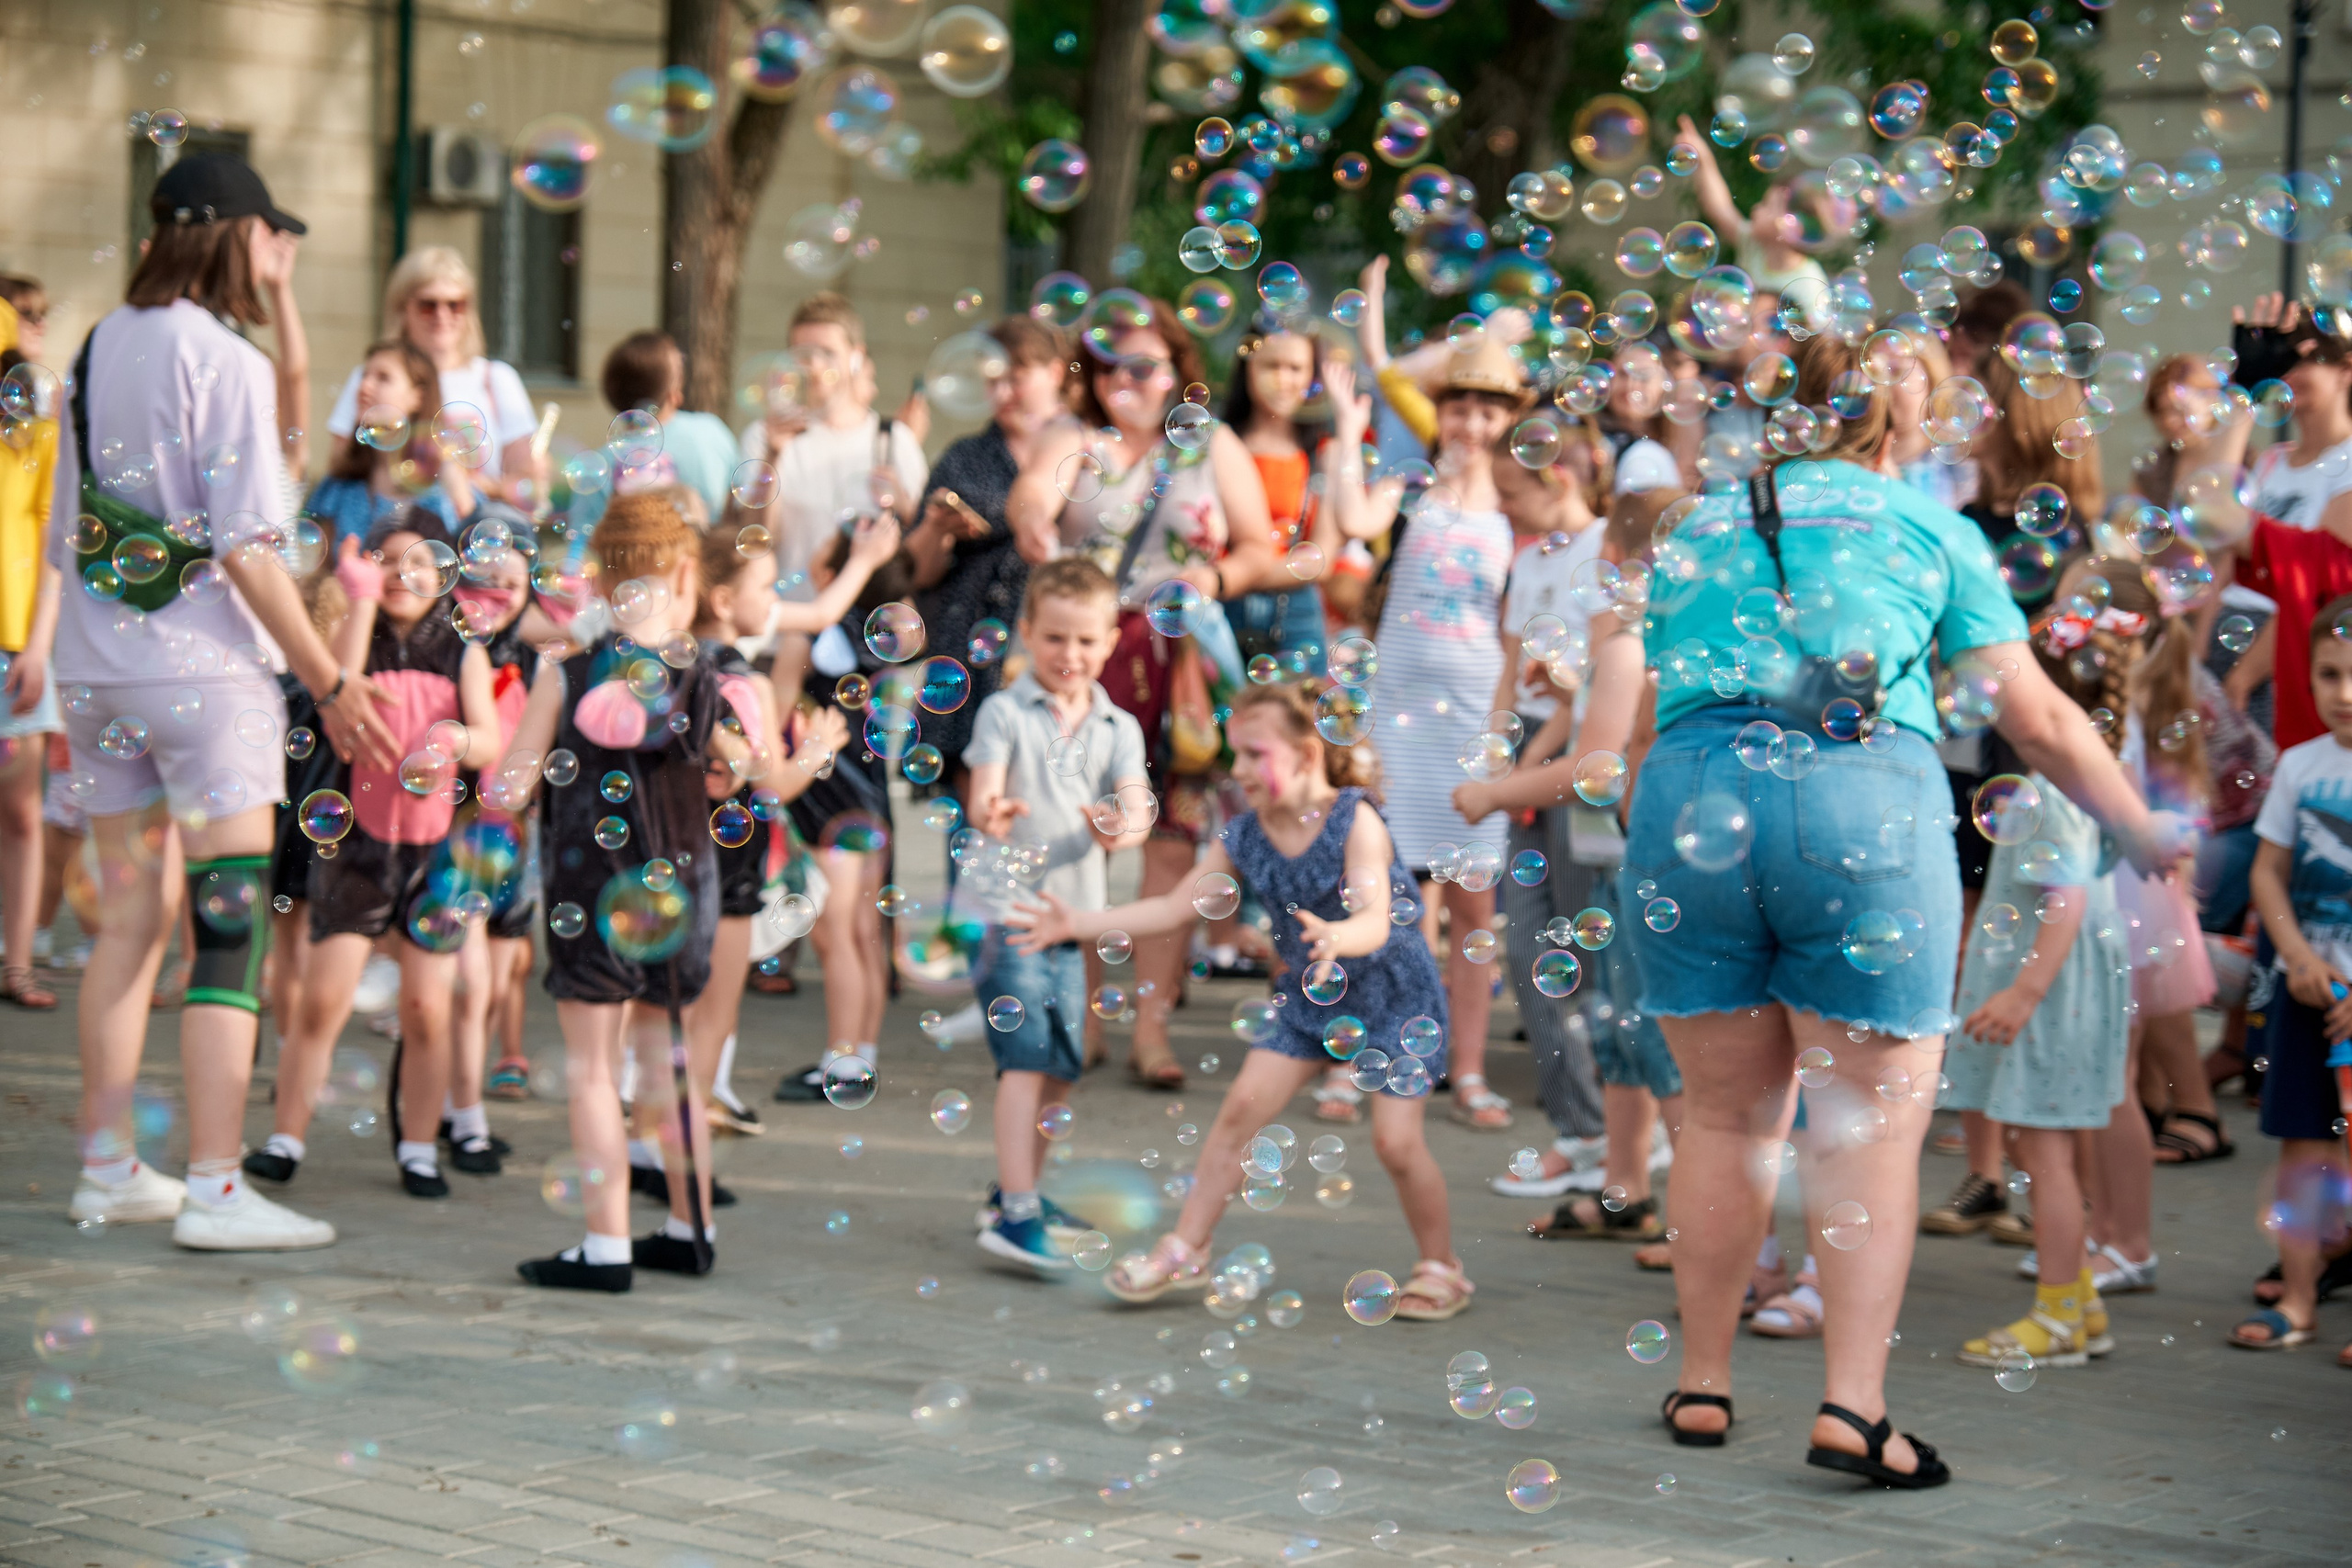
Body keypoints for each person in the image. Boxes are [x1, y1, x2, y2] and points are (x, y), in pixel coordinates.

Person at [1591, 331, 2180, 1483]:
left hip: (1687, 801)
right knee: (1861, 1128)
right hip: (1859, 803)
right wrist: (2143, 827)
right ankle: (1852, 1411)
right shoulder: (1927, 526)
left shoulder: (1697, 525)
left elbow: (1649, 713)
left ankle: (1701, 1384)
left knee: (1723, 1120)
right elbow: (2037, 720)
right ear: (1903, 421)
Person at [44, 151, 390, 1248]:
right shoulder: (225, 359)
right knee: (226, 930)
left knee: (126, 924)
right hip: (205, 680)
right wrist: (331, 678)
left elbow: (67, 535)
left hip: (96, 673)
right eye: (264, 233)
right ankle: (215, 1188)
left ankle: (108, 1168)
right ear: (233, 236)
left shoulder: (93, 348)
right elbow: (248, 545)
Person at [1009, 681, 1474, 1321]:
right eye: (1237, 754)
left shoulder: (1355, 818)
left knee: (1396, 1143)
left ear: (1307, 754)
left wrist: (1339, 935)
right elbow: (1175, 907)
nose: (1240, 769)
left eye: (1257, 754)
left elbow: (1375, 915)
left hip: (1397, 998)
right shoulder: (1243, 834)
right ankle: (1186, 1249)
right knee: (1236, 1116)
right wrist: (1078, 923)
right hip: (1310, 1001)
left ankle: (1441, 1267)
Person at [1005, 291, 1278, 1091]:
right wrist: (1032, 520)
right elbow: (1034, 492)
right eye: (1111, 365)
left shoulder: (1210, 444)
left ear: (1175, 369)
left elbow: (1262, 547)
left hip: (1178, 667)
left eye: (1145, 365)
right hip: (1086, 661)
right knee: (1085, 832)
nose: (1127, 380)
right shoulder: (1073, 436)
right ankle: (1089, 1015)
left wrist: (1213, 578)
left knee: (1171, 844)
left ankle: (1151, 1026)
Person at [493, 492, 750, 1290]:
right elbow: (741, 766)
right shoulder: (699, 676)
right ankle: (691, 1228)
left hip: (592, 899)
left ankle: (606, 1248)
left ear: (601, 581)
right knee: (667, 1064)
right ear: (685, 575)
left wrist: (479, 750)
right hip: (683, 899)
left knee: (594, 1070)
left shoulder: (567, 674)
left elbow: (509, 789)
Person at [244, 512, 503, 1197]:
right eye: (385, 561)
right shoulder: (352, 634)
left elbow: (489, 739)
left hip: (434, 853)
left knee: (427, 1009)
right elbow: (337, 685)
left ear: (443, 575)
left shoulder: (462, 651)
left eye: (416, 562)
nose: (399, 574)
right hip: (358, 846)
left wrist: (456, 741)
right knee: (322, 1000)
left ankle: (418, 1150)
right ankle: (285, 1139)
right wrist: (358, 600)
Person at [1457, 485, 1687, 1241]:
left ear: (1614, 559)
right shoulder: (1625, 645)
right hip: (1612, 857)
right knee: (1616, 1030)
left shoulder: (1627, 647)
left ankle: (1696, 1218)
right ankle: (1624, 1190)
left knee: (1652, 1039)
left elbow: (1596, 768)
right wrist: (1528, 756)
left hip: (1630, 859)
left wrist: (1497, 792)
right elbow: (1580, 718)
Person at [1332, 335, 1524, 1132]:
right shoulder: (1410, 487)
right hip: (1398, 726)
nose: (1471, 425)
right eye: (1459, 408)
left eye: (1489, 411)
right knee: (1386, 899)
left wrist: (1508, 734)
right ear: (1439, 413)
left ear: (1510, 422)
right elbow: (1352, 517)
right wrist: (1348, 431)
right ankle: (1363, 1059)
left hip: (1476, 724)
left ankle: (1467, 1069)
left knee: (1474, 914)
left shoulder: (1518, 507)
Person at [1944, 605, 2134, 1371]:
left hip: (2048, 999)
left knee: (2045, 1154)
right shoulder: (2082, 780)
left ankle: (2056, 1315)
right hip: (2058, 992)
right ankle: (2080, 1301)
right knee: (2040, 1144)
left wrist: (2023, 992)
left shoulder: (2048, 791)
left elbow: (2066, 898)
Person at [963, 558, 1152, 1269]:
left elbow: (1136, 810)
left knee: (1065, 1062)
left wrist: (1119, 828)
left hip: (1073, 919)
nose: (1068, 653)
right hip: (1006, 912)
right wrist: (993, 811)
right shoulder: (1005, 712)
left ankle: (1019, 1193)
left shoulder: (1117, 725)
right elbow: (983, 796)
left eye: (1084, 640)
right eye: (1054, 638)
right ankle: (1016, 1213)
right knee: (1026, 1057)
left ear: (1110, 641)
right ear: (1026, 632)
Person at [1453, 416, 1613, 1159]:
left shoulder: (1605, 548)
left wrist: (1516, 777)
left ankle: (1612, 1130)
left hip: (1582, 759)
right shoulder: (1528, 558)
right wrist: (1495, 756)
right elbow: (1510, 668)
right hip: (1530, 751)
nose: (1505, 507)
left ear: (1560, 477)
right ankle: (1577, 1127)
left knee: (1581, 945)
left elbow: (1604, 684)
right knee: (1525, 948)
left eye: (1513, 492)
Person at [681, 518, 847, 1139]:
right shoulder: (745, 682)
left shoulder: (669, 669)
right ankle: (685, 1141)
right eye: (767, 587)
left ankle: (658, 1128)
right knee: (713, 1016)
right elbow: (772, 782)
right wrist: (819, 748)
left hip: (671, 855)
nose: (774, 600)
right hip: (727, 872)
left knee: (668, 1014)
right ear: (725, 600)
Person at [2232, 591, 2352, 1369]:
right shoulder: (2301, 766)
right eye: (2330, 673)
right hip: (2305, 996)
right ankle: (2300, 1299)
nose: (2345, 692)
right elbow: (2268, 873)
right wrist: (2299, 958)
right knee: (2304, 1152)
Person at [904, 315, 1069, 791]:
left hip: (1061, 641)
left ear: (1054, 373)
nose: (1003, 393)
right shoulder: (965, 456)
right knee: (973, 793)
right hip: (970, 648)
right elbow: (918, 572)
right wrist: (936, 528)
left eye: (1016, 377)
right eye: (993, 381)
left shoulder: (1084, 447)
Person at [325, 247, 543, 505]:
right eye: (428, 306)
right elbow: (340, 464)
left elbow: (526, 481)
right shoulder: (370, 378)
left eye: (455, 305)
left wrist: (467, 486)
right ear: (403, 309)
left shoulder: (496, 378)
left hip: (474, 519)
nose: (442, 315)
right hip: (389, 517)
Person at [739, 292, 928, 588]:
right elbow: (753, 538)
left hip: (865, 613)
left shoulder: (893, 440)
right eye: (803, 354)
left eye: (827, 353)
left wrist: (904, 505)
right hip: (790, 610)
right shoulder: (764, 436)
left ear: (856, 357)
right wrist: (772, 458)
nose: (814, 366)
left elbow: (920, 549)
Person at [1222, 321, 1349, 677]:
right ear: (1247, 368)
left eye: (1295, 368)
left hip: (1294, 615)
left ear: (1312, 377)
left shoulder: (1325, 452)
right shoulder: (1219, 444)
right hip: (1219, 609)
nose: (1282, 378)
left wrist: (1230, 575)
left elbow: (1321, 557)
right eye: (1271, 365)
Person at [1, 291, 62, 1009]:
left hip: (15, 646)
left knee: (21, 813)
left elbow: (52, 550)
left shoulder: (37, 438)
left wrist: (40, 645)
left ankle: (15, 963)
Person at [303, 339, 473, 541]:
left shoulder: (442, 489)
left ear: (418, 397)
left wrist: (451, 476)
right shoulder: (340, 486)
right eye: (364, 375)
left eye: (383, 378)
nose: (364, 386)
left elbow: (461, 544)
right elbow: (318, 557)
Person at [582, 331, 744, 526]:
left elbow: (586, 536)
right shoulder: (711, 432)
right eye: (680, 372)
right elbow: (735, 511)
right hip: (705, 545)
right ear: (673, 393)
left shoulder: (598, 466)